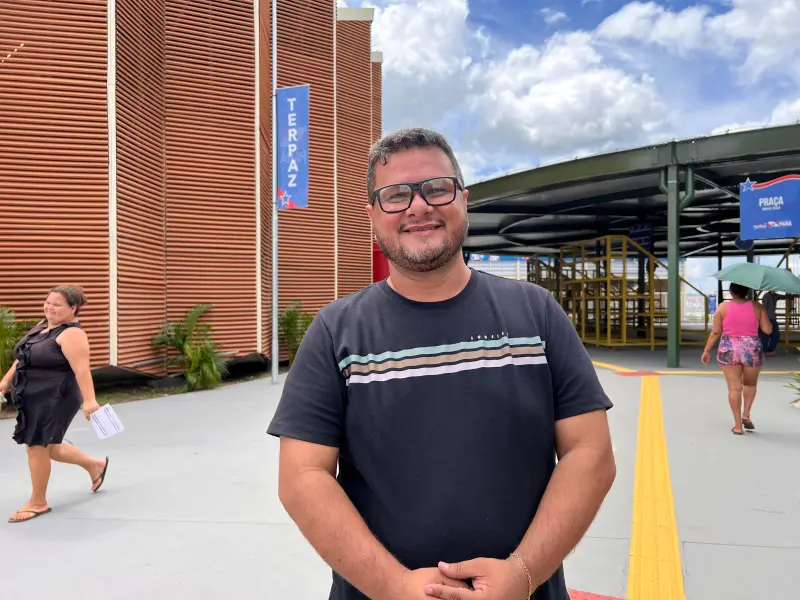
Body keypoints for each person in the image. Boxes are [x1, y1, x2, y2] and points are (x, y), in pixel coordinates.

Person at [268, 127, 616, 600]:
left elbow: (589, 453)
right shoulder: (335, 332)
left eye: (436, 188)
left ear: (463, 200)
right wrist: (394, 587)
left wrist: (523, 574)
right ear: (372, 215)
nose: (418, 206)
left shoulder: (537, 314)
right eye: (396, 195)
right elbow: (302, 477)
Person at [0, 285, 109, 524]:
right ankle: (95, 465)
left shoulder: (72, 334)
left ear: (73, 308)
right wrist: (6, 381)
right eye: (48, 302)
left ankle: (38, 502)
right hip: (33, 396)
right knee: (51, 448)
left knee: (36, 445)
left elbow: (82, 370)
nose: (49, 307)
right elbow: (23, 358)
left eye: (57, 305)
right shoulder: (43, 326)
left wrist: (90, 400)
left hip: (55, 397)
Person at [702, 282, 772, 435]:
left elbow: (715, 332)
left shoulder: (722, 307)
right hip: (752, 348)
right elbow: (767, 330)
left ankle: (738, 426)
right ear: (746, 292)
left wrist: (706, 350)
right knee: (750, 384)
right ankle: (746, 414)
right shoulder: (757, 307)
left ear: (731, 292)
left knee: (734, 388)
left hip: (729, 348)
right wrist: (765, 316)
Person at [758, 290, 783, 356]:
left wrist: (795, 294)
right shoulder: (766, 296)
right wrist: (764, 319)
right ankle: (765, 351)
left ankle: (769, 350)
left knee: (776, 335)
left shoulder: (775, 295)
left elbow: (784, 296)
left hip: (772, 319)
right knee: (765, 336)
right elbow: (764, 308)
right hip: (767, 319)